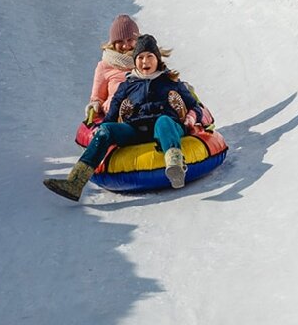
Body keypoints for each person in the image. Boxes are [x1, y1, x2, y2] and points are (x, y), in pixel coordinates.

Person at [44, 34, 208, 201]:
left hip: (165, 127)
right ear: (135, 61)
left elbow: (195, 106)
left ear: (157, 59)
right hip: (135, 129)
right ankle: (75, 182)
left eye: (150, 56)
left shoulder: (171, 82)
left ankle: (175, 167)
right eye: (141, 57)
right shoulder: (127, 85)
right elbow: (111, 115)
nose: (145, 62)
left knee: (164, 120)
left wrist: (190, 118)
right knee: (106, 130)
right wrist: (100, 129)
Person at [86, 14, 140, 120]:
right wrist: (95, 104)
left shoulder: (146, 60)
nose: (125, 46)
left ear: (137, 40)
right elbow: (97, 97)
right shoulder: (105, 65)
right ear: (113, 43)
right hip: (115, 113)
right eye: (120, 41)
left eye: (130, 40)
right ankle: (123, 114)